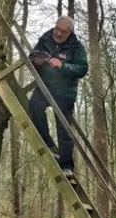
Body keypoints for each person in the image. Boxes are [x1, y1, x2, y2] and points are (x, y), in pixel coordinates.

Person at [28, 15, 88, 177]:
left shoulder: (77, 48)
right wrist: (36, 61)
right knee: (34, 106)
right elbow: (33, 55)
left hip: (65, 91)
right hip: (45, 86)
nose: (58, 33)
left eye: (63, 31)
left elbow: (82, 69)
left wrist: (62, 66)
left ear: (69, 33)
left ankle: (67, 166)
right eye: (57, 29)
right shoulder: (46, 38)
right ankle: (48, 145)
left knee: (64, 127)